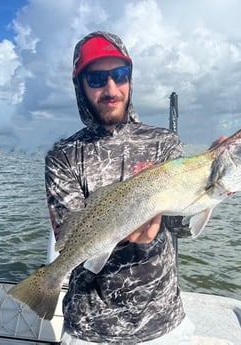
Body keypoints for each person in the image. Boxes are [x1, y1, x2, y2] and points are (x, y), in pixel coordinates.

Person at [45, 31, 193, 344]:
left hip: (162, 324)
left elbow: (182, 227)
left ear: (130, 79)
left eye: (120, 75)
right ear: (80, 85)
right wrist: (130, 222)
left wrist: (215, 186)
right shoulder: (63, 155)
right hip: (88, 328)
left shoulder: (164, 143)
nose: (111, 89)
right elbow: (69, 234)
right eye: (97, 79)